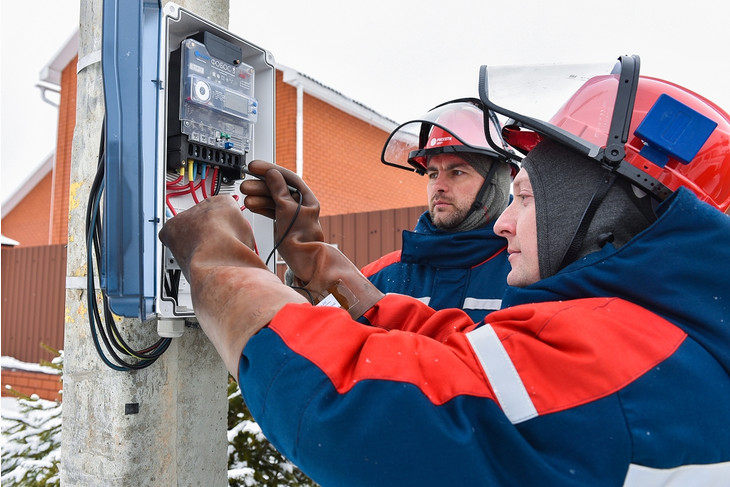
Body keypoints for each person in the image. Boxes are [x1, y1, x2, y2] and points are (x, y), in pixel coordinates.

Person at [159, 56, 730, 486]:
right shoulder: (673, 342)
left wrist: (220, 264)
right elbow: (466, 356)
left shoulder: (615, 351)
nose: (506, 224)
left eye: (529, 199)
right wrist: (321, 266)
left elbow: (365, 408)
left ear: (610, 213)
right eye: (431, 172)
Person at [361, 99, 516, 320]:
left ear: (497, 182)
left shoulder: (527, 274)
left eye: (457, 172)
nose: (438, 186)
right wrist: (307, 278)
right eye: (433, 174)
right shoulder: (381, 278)